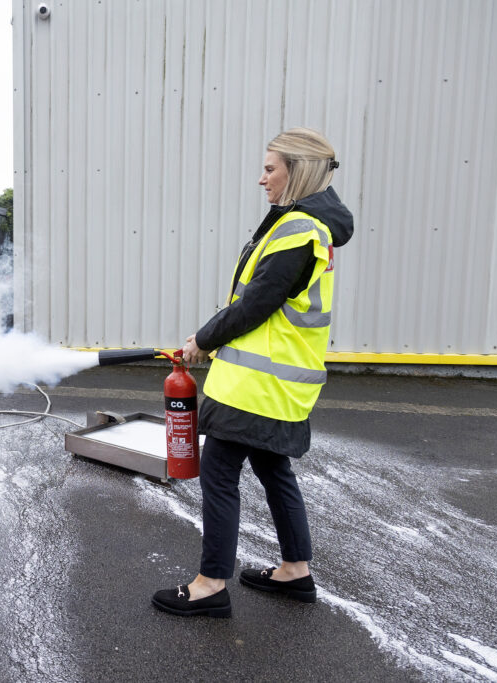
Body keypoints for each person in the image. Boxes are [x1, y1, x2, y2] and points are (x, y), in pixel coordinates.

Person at [152, 128, 355, 618]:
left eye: (270, 168)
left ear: (297, 171)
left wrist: (204, 339)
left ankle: (210, 583)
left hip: (257, 386)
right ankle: (294, 570)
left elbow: (257, 304)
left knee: (220, 471)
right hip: (282, 383)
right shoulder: (306, 227)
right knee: (271, 467)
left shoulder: (300, 229)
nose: (261, 179)